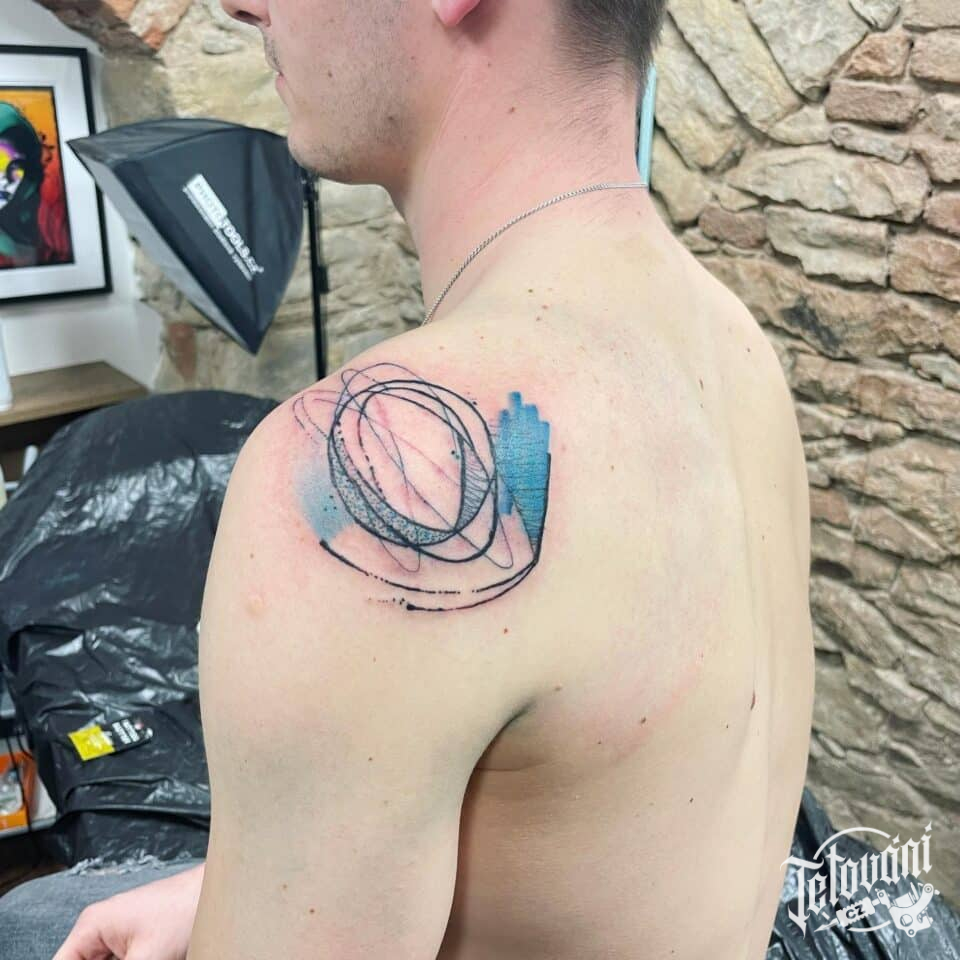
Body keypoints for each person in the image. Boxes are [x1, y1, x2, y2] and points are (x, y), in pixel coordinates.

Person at [28, 0, 814, 957]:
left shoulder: (335, 469)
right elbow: (602, 844)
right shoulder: (733, 346)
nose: (241, 5)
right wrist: (263, 887)